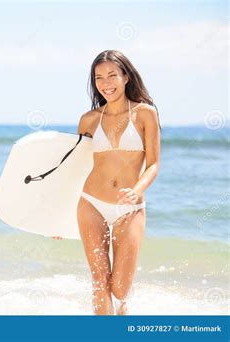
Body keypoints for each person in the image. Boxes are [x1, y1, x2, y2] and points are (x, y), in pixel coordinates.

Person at [53, 50, 161, 315]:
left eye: (112, 75)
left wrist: (137, 191)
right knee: (99, 281)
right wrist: (57, 216)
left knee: (120, 288)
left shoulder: (145, 114)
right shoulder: (89, 120)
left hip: (130, 208)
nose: (106, 82)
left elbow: (154, 164)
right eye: (99, 77)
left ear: (126, 76)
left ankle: (122, 314)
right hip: (91, 203)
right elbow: (76, 169)